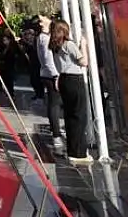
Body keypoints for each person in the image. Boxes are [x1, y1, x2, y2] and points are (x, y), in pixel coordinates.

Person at [49, 21, 93, 165]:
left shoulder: (54, 46)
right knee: (79, 115)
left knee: (69, 115)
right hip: (74, 79)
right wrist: (84, 46)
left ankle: (72, 149)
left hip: (63, 79)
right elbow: (83, 62)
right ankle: (79, 153)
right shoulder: (69, 44)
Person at [37, 16, 65, 153]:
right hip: (51, 76)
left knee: (55, 105)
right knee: (54, 105)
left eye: (43, 19)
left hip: (48, 74)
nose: (41, 23)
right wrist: (56, 75)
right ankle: (56, 135)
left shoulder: (45, 37)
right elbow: (47, 59)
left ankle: (57, 132)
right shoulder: (45, 38)